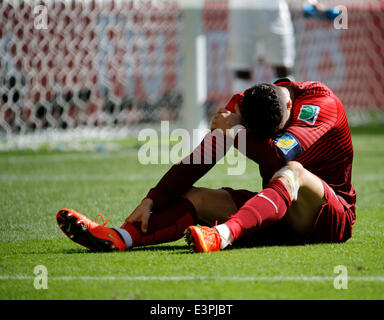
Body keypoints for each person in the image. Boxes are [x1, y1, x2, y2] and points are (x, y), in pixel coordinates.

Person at [56, 78, 356, 253]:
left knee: (293, 172)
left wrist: (234, 133)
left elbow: (279, 156)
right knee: (196, 197)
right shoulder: (242, 105)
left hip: (329, 218)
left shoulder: (321, 106)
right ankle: (120, 237)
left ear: (290, 108)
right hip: (278, 215)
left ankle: (223, 235)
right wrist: (152, 199)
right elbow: (202, 157)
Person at [227, 0, 296, 92]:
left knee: (283, 66)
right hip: (243, 11)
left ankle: (286, 104)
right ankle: (241, 104)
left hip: (275, 11)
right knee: (242, 69)